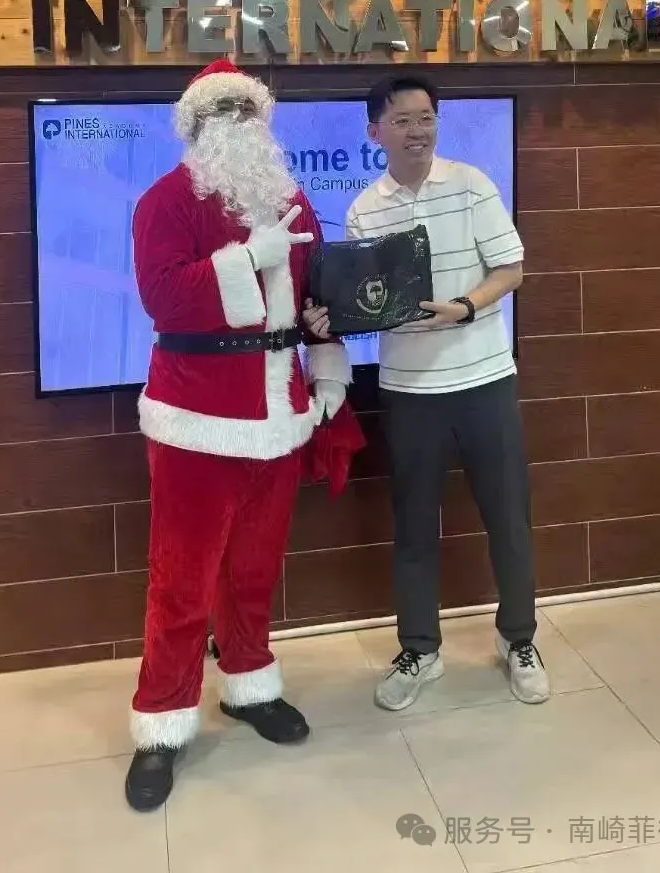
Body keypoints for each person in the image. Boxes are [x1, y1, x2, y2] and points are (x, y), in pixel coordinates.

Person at [125, 58, 352, 812]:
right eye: (221, 112)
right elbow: (163, 298)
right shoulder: (164, 201)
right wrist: (247, 260)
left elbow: (317, 296)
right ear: (195, 127)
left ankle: (249, 684)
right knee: (182, 582)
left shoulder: (291, 199)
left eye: (246, 111)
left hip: (279, 417)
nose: (237, 124)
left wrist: (327, 362)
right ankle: (162, 720)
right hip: (195, 423)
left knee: (254, 569)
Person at [305, 72, 549, 712]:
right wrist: (334, 319)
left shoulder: (471, 184)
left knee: (508, 518)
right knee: (413, 524)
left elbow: (512, 269)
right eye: (403, 121)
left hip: (485, 379)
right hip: (409, 389)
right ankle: (420, 649)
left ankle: (518, 640)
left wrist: (464, 307)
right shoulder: (365, 208)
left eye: (426, 118)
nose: (418, 131)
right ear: (375, 132)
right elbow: (369, 301)